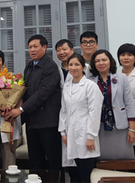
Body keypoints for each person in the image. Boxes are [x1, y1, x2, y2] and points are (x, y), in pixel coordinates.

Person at [6, 34, 62, 170]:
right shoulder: (29, 66)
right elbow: (26, 90)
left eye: (35, 46)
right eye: (30, 47)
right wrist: (16, 102)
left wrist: (20, 110)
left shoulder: (50, 67)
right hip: (32, 121)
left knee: (53, 161)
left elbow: (42, 94)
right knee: (35, 162)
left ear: (44, 47)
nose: (32, 50)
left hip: (48, 123)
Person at [59, 54, 103, 183]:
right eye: (70, 65)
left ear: (83, 67)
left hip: (85, 136)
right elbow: (63, 110)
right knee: (73, 175)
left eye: (77, 64)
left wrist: (90, 136)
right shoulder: (67, 86)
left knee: (86, 175)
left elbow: (94, 113)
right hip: (69, 136)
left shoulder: (91, 86)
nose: (73, 67)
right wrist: (63, 132)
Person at [89, 50, 135, 159]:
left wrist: (132, 129)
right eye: (97, 61)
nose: (101, 63)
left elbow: (129, 104)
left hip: (120, 126)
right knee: (103, 159)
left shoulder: (121, 78)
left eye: (104, 60)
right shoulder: (90, 81)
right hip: (100, 127)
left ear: (110, 61)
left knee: (123, 160)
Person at [55, 39, 79, 182]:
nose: (62, 52)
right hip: (63, 118)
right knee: (67, 160)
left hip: (79, 120)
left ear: (72, 50)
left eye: (64, 49)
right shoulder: (57, 70)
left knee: (81, 162)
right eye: (58, 50)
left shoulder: (85, 69)